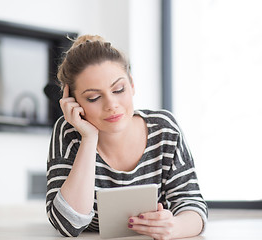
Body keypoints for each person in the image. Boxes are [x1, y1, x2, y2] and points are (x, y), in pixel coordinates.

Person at [46, 35, 208, 239]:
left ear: (131, 84)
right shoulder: (68, 131)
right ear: (73, 101)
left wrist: (174, 226)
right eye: (93, 98)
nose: (111, 104)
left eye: (118, 89)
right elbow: (66, 224)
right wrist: (88, 138)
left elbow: (193, 206)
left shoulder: (164, 128)